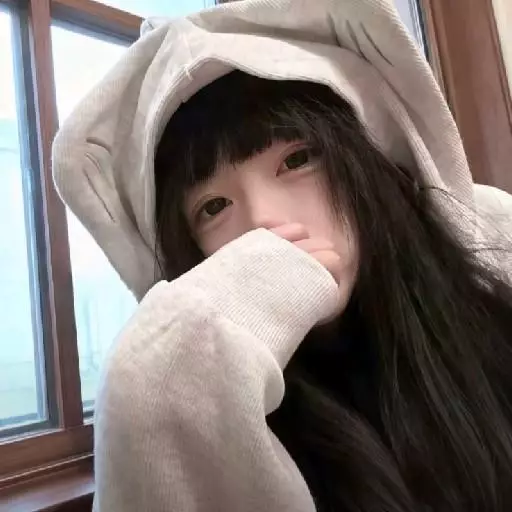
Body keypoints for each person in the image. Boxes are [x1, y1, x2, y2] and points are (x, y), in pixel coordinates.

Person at [52, 0, 512, 510]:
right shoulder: (232, 412)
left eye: (297, 159)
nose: (262, 221)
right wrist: (170, 372)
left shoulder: (492, 300)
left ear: (368, 162)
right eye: (213, 207)